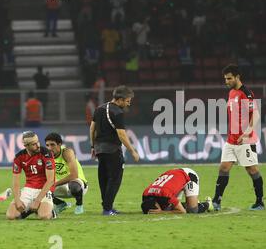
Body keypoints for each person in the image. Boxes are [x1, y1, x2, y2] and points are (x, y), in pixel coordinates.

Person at [212, 64, 264, 211]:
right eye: (225, 79)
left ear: (237, 77)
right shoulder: (231, 93)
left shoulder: (245, 93)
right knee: (223, 168)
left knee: (252, 170)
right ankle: (217, 200)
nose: (226, 81)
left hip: (245, 140)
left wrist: (247, 132)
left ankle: (260, 202)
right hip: (231, 139)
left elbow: (256, 114)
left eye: (229, 78)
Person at [90, 85, 140, 216]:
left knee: (104, 178)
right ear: (120, 99)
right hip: (112, 149)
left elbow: (92, 128)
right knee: (115, 178)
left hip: (100, 149)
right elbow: (121, 134)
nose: (129, 103)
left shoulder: (99, 108)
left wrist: (92, 146)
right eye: (128, 100)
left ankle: (107, 206)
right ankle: (107, 209)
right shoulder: (117, 112)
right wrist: (132, 151)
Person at [6, 131, 56, 220]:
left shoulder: (46, 154)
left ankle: (51, 211)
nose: (38, 145)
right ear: (26, 146)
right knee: (11, 216)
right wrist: (17, 200)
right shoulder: (19, 157)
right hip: (29, 189)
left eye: (38, 142)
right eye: (34, 144)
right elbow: (16, 181)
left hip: (44, 188)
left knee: (44, 216)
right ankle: (32, 207)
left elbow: (50, 180)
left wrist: (37, 201)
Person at [45, 133, 89, 215]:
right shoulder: (47, 156)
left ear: (59, 144)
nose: (49, 148)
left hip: (78, 186)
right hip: (60, 186)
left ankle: (79, 205)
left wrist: (54, 184)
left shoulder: (67, 152)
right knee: (39, 187)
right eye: (47, 145)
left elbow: (74, 175)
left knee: (74, 184)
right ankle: (60, 204)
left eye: (52, 145)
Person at [141, 168, 213, 214]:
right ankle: (193, 201)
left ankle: (208, 204)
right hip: (173, 176)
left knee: (192, 210)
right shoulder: (145, 194)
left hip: (188, 176)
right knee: (170, 207)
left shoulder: (166, 195)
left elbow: (182, 211)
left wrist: (162, 212)